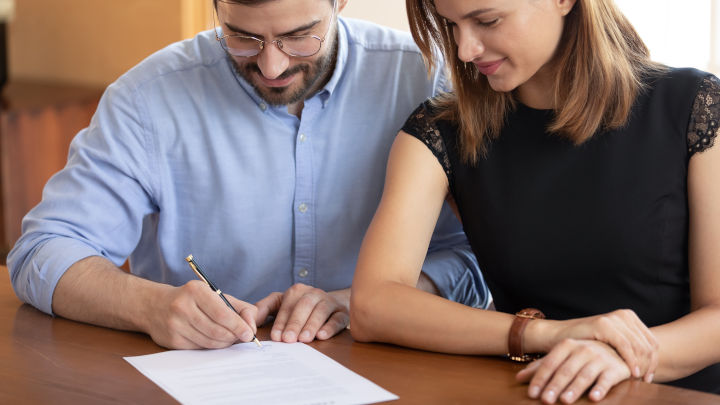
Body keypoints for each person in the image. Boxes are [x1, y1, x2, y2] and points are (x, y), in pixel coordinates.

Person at [7, 0, 490, 351]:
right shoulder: (147, 100)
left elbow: (480, 258)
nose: (272, 64)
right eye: (243, 37)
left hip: (395, 372)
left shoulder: (429, 80)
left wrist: (362, 302)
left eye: (299, 35)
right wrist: (148, 306)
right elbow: (42, 252)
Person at [350, 0, 720, 402]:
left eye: (486, 20)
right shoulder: (440, 132)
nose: (464, 50)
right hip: (535, 391)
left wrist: (619, 354)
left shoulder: (693, 106)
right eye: (451, 25)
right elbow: (373, 305)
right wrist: (547, 333)